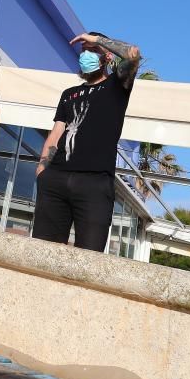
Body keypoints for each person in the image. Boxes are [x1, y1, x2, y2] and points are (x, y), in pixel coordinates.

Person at [32, 32, 141, 252]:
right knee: (42, 252)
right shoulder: (69, 94)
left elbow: (134, 54)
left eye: (92, 51)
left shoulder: (116, 86)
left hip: (95, 183)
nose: (86, 55)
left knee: (89, 257)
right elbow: (56, 133)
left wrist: (98, 40)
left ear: (107, 57)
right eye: (84, 51)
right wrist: (42, 170)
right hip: (55, 178)